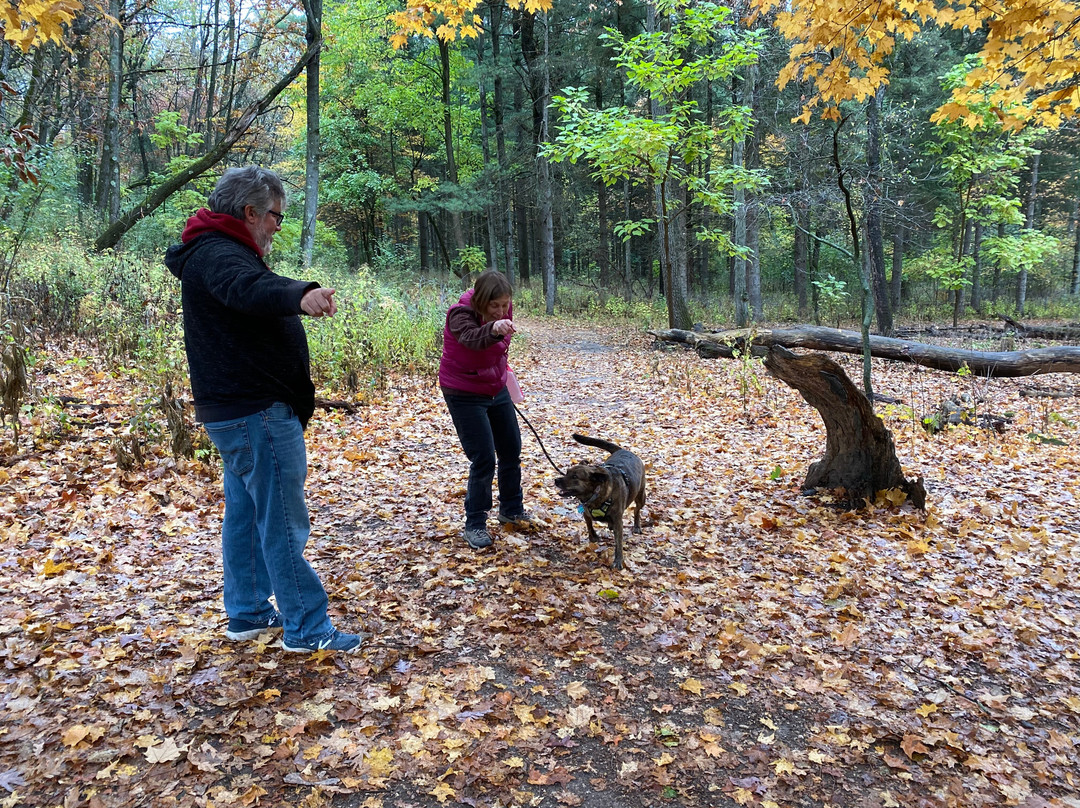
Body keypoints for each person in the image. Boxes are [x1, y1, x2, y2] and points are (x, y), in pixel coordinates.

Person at [164, 166, 362, 653]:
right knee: (281, 522)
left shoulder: (218, 250)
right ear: (250, 212)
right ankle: (308, 628)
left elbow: (251, 287)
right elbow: (250, 291)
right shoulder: (218, 255)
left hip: (243, 412)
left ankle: (249, 612)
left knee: (248, 514)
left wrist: (296, 289)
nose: (278, 225)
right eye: (275, 215)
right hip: (256, 413)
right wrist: (300, 295)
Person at [439, 270, 533, 550]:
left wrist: (503, 370)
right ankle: (475, 523)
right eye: (494, 306)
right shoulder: (460, 314)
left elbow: (500, 346)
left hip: (495, 386)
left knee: (511, 448)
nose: (502, 311)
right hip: (463, 391)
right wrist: (494, 329)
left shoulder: (505, 309)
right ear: (480, 301)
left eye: (505, 305)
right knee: (483, 458)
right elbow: (473, 340)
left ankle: (512, 509)